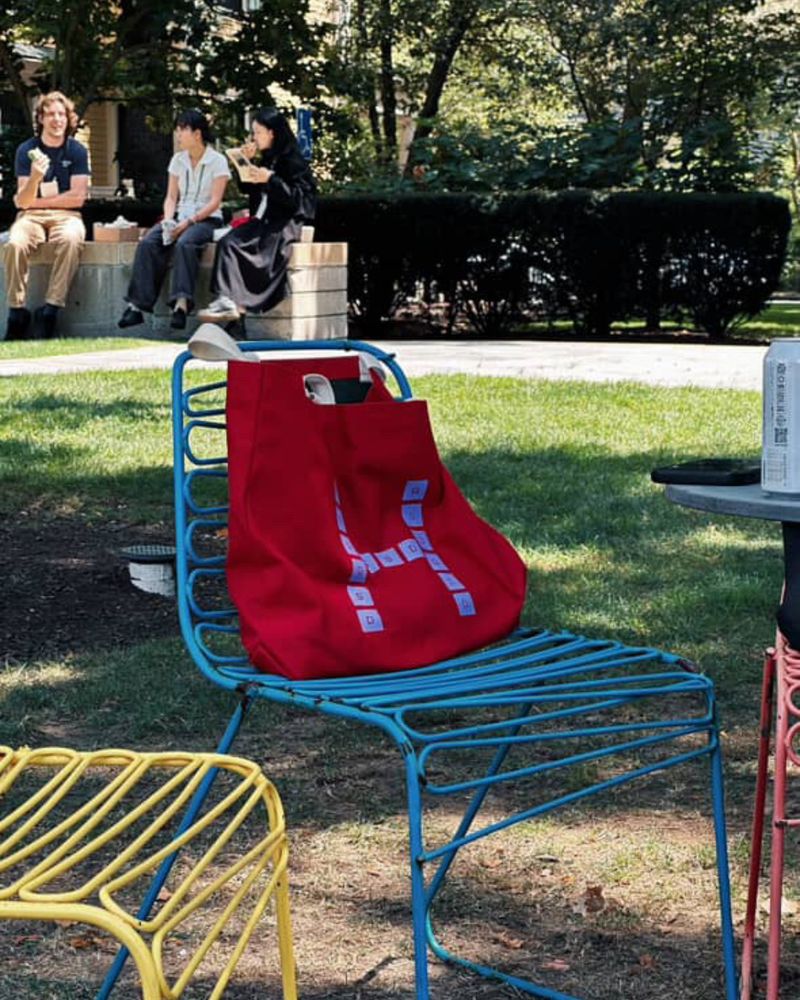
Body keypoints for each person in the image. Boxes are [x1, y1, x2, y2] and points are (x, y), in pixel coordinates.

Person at [197, 107, 316, 338]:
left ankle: (233, 312)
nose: (254, 138)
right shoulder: (269, 157)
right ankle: (230, 308)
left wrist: (271, 179)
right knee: (229, 242)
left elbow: (299, 201)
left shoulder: (293, 160)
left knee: (239, 246)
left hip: (282, 225)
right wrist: (245, 165)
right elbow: (249, 189)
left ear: (272, 133)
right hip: (264, 220)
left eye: (258, 133)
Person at [118, 109, 230, 332]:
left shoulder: (217, 161)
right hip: (179, 215)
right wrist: (169, 222)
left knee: (186, 243)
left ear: (197, 134)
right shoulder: (177, 160)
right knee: (149, 242)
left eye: (182, 129)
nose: (178, 134)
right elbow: (171, 197)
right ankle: (137, 306)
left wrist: (188, 223)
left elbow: (215, 202)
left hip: (206, 219)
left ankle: (181, 304)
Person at [5, 91, 90, 340]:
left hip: (67, 216)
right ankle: (16, 311)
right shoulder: (26, 150)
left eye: (61, 114)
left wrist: (37, 201)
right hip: (30, 218)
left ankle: (50, 310)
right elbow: (22, 201)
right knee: (14, 243)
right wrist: (35, 178)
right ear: (41, 118)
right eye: (50, 114)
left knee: (72, 240)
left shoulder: (76, 151)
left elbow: (78, 198)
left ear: (68, 118)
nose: (57, 119)